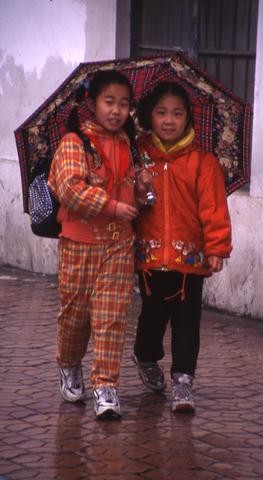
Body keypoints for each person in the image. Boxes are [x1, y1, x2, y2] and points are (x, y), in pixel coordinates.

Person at [132, 81, 232, 413]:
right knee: (151, 321)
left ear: (188, 118)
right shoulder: (139, 157)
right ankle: (146, 358)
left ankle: (183, 381)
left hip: (190, 263)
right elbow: (127, 202)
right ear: (150, 116)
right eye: (161, 112)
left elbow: (214, 208)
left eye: (177, 113)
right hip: (149, 262)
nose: (169, 120)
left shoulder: (204, 163)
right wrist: (137, 186)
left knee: (187, 324)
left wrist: (217, 247)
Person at [48, 70, 139, 420]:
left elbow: (129, 191)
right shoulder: (74, 142)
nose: (116, 111)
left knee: (111, 317)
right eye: (109, 102)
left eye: (124, 104)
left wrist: (139, 187)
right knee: (75, 316)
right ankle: (69, 364)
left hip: (119, 244)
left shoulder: (129, 144)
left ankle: (106, 386)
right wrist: (114, 205)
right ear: (92, 103)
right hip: (79, 243)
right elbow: (69, 190)